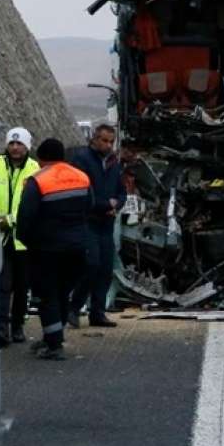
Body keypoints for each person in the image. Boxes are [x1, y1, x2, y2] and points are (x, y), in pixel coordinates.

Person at [16, 138, 92, 360]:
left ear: (41, 159)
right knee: (61, 292)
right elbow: (89, 209)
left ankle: (54, 346)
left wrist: (28, 242)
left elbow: (25, 218)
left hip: (46, 250)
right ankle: (53, 337)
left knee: (47, 295)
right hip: (78, 248)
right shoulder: (81, 177)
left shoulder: (37, 180)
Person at [68, 124, 127, 329]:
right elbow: (83, 190)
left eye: (111, 141)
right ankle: (74, 308)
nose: (108, 145)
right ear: (95, 139)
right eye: (104, 140)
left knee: (105, 269)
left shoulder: (113, 163)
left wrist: (117, 204)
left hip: (107, 223)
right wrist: (105, 205)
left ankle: (97, 312)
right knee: (90, 265)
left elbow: (121, 191)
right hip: (89, 221)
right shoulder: (82, 159)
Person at [0, 127, 40, 347]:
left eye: (20, 144)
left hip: (23, 237)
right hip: (0, 236)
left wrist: (12, 219)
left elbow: (31, 203)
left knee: (22, 286)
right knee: (3, 285)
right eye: (12, 143)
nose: (15, 147)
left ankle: (17, 326)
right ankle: (1, 329)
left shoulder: (34, 168)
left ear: (27, 146)